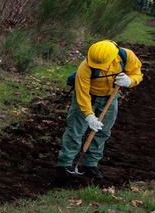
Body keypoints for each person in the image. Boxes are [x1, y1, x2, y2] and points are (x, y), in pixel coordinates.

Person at [55, 40, 143, 180]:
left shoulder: (127, 56)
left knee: (102, 131)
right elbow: (82, 94)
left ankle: (91, 164)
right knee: (76, 130)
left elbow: (137, 73)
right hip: (87, 97)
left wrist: (129, 81)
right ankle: (65, 164)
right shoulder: (85, 67)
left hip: (110, 97)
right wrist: (89, 115)